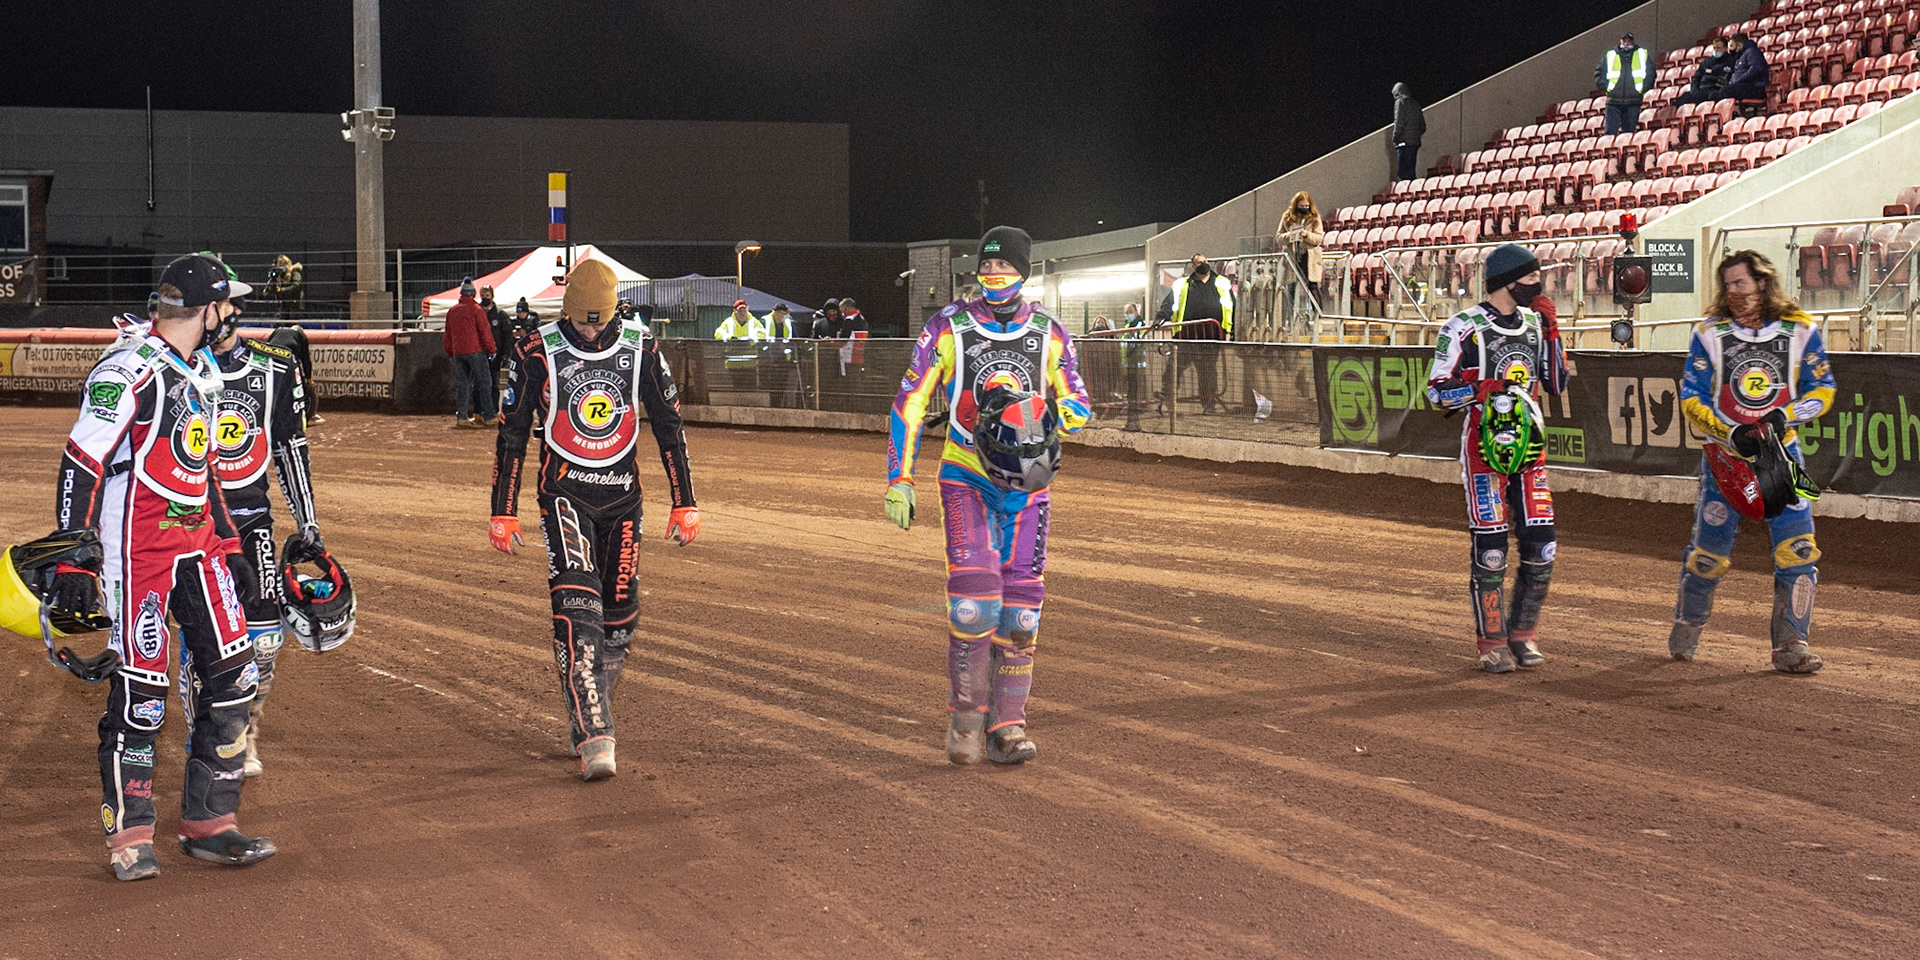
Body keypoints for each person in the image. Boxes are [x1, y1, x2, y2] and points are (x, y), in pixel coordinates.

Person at [54, 253, 275, 879]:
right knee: (144, 695)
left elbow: (205, 473)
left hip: (198, 547)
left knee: (236, 672)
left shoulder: (201, 370)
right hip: (137, 554)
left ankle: (212, 822)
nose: (232, 314)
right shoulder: (127, 371)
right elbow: (81, 462)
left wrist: (230, 546)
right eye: (226, 304)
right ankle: (130, 835)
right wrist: (75, 558)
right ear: (206, 309)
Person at [884, 225, 1090, 766]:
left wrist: (1065, 413)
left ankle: (1008, 726)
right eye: (988, 267)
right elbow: (910, 401)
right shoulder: (948, 328)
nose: (995, 275)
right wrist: (898, 478)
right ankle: (966, 720)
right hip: (966, 475)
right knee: (975, 602)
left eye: (1005, 267)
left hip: (1029, 484)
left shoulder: (1050, 332)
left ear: (1025, 270)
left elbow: (1076, 396)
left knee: (1021, 612)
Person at [490, 259, 700, 781]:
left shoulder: (641, 345)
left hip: (624, 499)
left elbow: (669, 424)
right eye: (582, 322)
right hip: (562, 496)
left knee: (620, 616)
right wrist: (503, 510)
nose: (590, 330)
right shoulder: (533, 350)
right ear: (564, 311)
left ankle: (588, 699)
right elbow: (512, 433)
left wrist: (685, 500)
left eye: (598, 321)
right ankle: (594, 733)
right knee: (578, 605)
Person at [1668, 250, 1834, 673]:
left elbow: (1823, 389)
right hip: (1726, 459)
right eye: (1727, 286)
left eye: (1739, 283)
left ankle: (1792, 645)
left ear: (1762, 282)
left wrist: (1785, 416)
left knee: (1799, 550)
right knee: (1709, 554)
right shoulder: (1709, 333)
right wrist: (1731, 433)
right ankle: (1687, 627)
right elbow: (1691, 397)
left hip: (1782, 456)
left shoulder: (1800, 329)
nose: (1732, 292)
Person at [1425, 244, 1569, 674]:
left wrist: (1554, 332)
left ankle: (1523, 635)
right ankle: (1491, 642)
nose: (1537, 285)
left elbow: (1557, 384)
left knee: (1542, 546)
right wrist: (1477, 387)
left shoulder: (1534, 323)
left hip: (1531, 452)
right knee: (1490, 549)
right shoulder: (1463, 327)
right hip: (1483, 453)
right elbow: (1436, 390)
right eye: (1530, 279)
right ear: (1508, 280)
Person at [210, 287, 325, 780]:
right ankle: (212, 732)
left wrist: (309, 523)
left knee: (262, 639)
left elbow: (291, 447)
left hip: (251, 519)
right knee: (204, 636)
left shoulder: (274, 366)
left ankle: (244, 730)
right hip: (189, 525)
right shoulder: (170, 365)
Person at [1154, 254, 1234, 414]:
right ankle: (1168, 399)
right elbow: (1169, 303)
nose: (1204, 264)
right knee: (1174, 368)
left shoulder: (1222, 283)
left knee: (1208, 372)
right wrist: (1160, 318)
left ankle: (1209, 405)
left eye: (1205, 262)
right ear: (1193, 266)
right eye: (1199, 263)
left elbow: (1232, 306)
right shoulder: (1182, 284)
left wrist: (1234, 330)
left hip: (1211, 336)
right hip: (1186, 336)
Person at [443, 277, 498, 428]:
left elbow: (447, 335)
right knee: (485, 383)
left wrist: (450, 353)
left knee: (463, 384)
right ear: (473, 293)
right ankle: (488, 416)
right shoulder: (476, 310)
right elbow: (485, 333)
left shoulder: (452, 311)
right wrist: (492, 349)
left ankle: (462, 416)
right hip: (476, 351)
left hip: (458, 352)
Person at [1275, 191, 1326, 306]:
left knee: (1312, 286)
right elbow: (1279, 237)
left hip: (1309, 256)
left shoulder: (1314, 217)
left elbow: (1319, 238)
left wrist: (1307, 235)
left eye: (1306, 206)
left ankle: (1318, 315)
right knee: (1292, 287)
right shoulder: (1287, 217)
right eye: (1301, 206)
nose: (1304, 208)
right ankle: (1292, 316)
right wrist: (1291, 235)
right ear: (1296, 205)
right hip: (1293, 256)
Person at [1597, 32, 1652, 134]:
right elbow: (1599, 72)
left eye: (1629, 40)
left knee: (1628, 134)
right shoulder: (1610, 54)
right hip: (1613, 101)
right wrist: (1607, 88)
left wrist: (1641, 89)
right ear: (1620, 41)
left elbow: (1651, 74)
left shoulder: (1642, 54)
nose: (1626, 43)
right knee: (1609, 134)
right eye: (1624, 40)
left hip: (1633, 101)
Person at [713, 298, 765, 393]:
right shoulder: (728, 322)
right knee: (737, 389)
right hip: (734, 363)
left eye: (744, 310)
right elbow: (718, 333)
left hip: (750, 363)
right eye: (740, 310)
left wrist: (750, 342)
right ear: (735, 311)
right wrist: (730, 339)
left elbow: (762, 334)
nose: (742, 312)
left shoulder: (754, 322)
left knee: (751, 389)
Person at [762, 303, 801, 408]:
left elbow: (795, 339)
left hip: (785, 360)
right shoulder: (765, 322)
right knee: (772, 387)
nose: (785, 316)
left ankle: (780, 407)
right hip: (769, 360)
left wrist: (787, 345)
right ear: (777, 313)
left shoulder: (788, 323)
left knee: (783, 386)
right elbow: (761, 338)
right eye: (783, 314)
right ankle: (772, 407)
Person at [1674, 38, 1734, 106]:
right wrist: (1695, 91)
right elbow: (1697, 77)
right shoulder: (1707, 61)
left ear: (1726, 48)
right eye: (1714, 48)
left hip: (1714, 91)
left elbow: (1727, 80)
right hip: (1701, 90)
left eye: (1719, 48)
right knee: (1681, 100)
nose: (1716, 50)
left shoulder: (1731, 61)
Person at [481, 285, 512, 411]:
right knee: (480, 383)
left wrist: (505, 354)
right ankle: (479, 410)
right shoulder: (477, 311)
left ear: (492, 296)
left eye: (487, 296)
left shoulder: (500, 314)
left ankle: (493, 410)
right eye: (483, 296)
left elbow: (508, 335)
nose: (485, 298)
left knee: (494, 382)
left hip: (496, 353)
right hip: (480, 353)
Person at [1120, 302, 1149, 431]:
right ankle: (1131, 421)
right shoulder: (1128, 325)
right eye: (1126, 312)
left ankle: (1134, 422)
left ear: (1137, 312)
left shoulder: (1139, 324)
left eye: (1130, 311)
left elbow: (1137, 340)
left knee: (1134, 394)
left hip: (1136, 366)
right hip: (1129, 366)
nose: (1128, 314)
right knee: (1131, 393)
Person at [1719, 33, 1770, 102]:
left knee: (1726, 91)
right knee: (1714, 94)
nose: (1730, 49)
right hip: (1741, 85)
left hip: (1755, 87)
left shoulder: (1752, 51)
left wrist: (1740, 80)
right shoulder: (1739, 56)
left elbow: (1756, 69)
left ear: (1739, 45)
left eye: (1731, 46)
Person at [1391, 83, 1426, 182]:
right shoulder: (1415, 104)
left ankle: (1406, 192)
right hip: (1414, 142)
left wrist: (1395, 137)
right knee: (1411, 170)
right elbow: (1422, 126)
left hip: (1403, 142)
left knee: (1402, 171)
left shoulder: (1400, 103)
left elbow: (1399, 122)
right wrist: (1415, 135)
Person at [264, 254, 305, 319]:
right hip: (284, 303)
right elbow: (275, 285)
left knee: (292, 324)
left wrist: (282, 289)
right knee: (283, 322)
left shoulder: (294, 273)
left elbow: (296, 286)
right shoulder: (280, 275)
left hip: (294, 303)